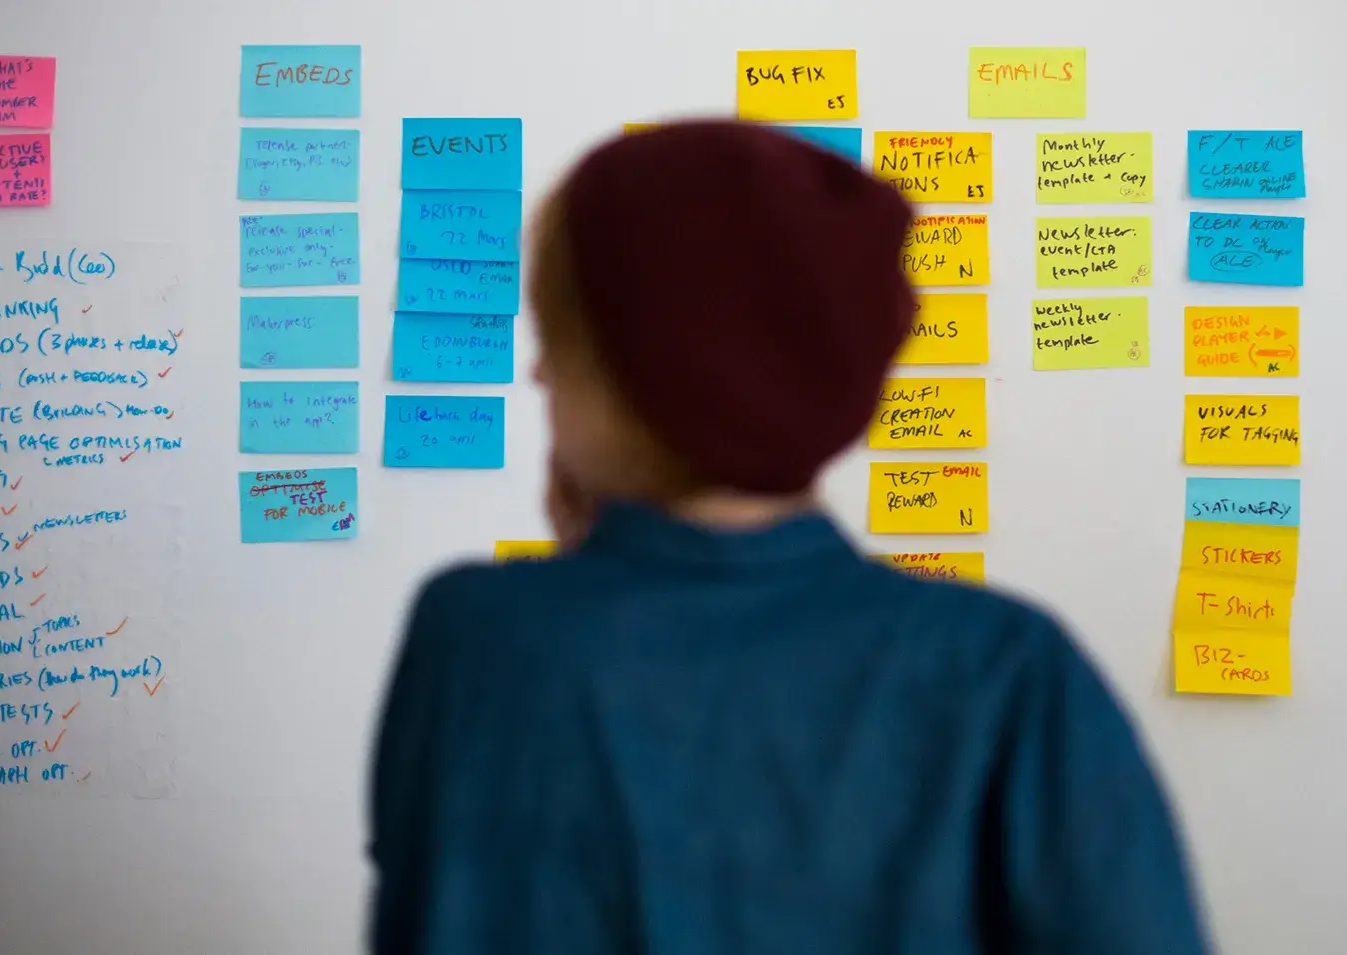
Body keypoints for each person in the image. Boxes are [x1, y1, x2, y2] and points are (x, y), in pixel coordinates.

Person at [369, 120, 1210, 954]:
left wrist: (586, 580)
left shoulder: (473, 635)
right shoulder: (1004, 666)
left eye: (559, 337)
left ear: (643, 370)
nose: (536, 371)